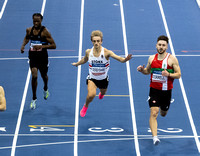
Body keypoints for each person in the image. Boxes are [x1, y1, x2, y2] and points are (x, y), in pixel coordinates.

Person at [72, 30, 132, 117]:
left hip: (103, 79)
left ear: (101, 41)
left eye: (98, 41)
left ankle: (102, 94)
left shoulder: (107, 52)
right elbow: (85, 59)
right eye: (94, 41)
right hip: (92, 78)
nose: (96, 43)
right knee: (91, 95)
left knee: (103, 92)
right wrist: (77, 64)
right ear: (92, 41)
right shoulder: (88, 52)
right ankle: (85, 106)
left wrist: (125, 59)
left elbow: (119, 59)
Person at [137, 35, 181, 145]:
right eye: (159, 45)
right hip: (154, 90)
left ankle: (164, 107)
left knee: (163, 113)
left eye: (163, 45)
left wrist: (169, 74)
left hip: (166, 92)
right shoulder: (151, 58)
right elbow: (148, 71)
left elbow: (179, 75)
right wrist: (142, 70)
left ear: (167, 47)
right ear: (156, 45)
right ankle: (155, 137)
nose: (161, 47)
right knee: (154, 112)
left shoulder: (172, 59)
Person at [20, 13, 56, 109]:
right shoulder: (29, 30)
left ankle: (45, 88)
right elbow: (27, 38)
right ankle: (34, 98)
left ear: (41, 21)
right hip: (33, 57)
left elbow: (53, 45)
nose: (36, 23)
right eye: (34, 21)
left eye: (38, 21)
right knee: (34, 76)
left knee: (44, 76)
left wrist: (41, 46)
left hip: (43, 57)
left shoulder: (45, 32)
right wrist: (23, 45)